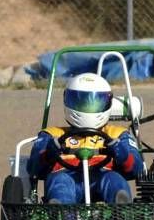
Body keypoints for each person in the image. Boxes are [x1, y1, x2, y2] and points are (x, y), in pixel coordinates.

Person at [27, 72, 143, 204]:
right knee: (60, 183)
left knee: (113, 179)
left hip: (102, 177)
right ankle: (60, 212)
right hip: (66, 178)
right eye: (81, 102)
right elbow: (33, 169)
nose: (87, 108)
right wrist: (48, 154)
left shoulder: (118, 135)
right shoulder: (52, 135)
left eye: (94, 103)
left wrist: (122, 154)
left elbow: (137, 169)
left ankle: (121, 209)